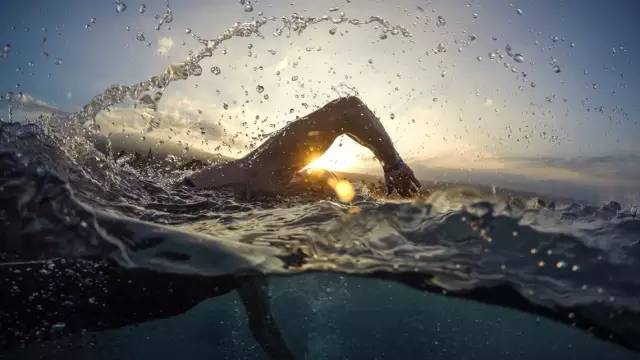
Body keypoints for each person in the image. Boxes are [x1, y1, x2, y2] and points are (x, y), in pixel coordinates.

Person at [182, 96, 421, 198]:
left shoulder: (273, 195)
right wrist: (394, 165)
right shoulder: (267, 170)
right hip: (181, 200)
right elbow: (349, 109)